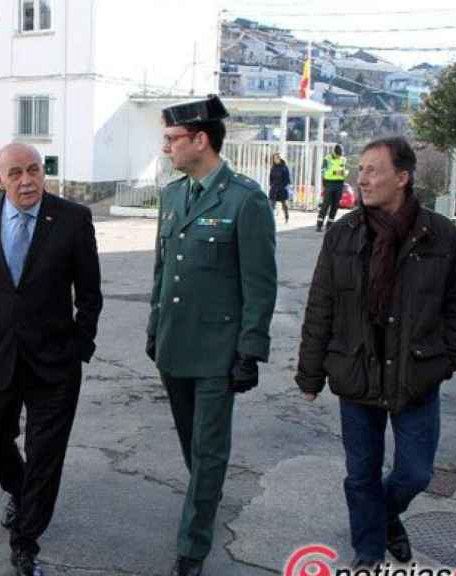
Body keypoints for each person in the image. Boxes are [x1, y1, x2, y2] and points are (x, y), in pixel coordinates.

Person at [295, 136, 456, 568]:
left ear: (403, 177)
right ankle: (368, 551)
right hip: (356, 372)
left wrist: (444, 359)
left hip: (415, 376)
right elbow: (321, 306)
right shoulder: (343, 234)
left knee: (415, 473)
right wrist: (310, 375)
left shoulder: (441, 234)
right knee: (361, 475)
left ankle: (384, 516)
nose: (362, 178)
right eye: (360, 170)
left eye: (372, 170)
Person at [0, 142, 103, 576]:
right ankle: (22, 492)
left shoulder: (72, 219)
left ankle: (25, 542)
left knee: (46, 452)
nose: (26, 180)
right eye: (14, 173)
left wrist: (80, 346)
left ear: (44, 173)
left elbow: (89, 293)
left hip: (56, 362)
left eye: (33, 170)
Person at [145, 96, 277, 576]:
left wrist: (250, 350)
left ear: (201, 140)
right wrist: (153, 326)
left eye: (173, 140)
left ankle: (192, 546)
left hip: (219, 353)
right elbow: (163, 269)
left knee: (208, 448)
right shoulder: (174, 195)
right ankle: (206, 497)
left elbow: (259, 285)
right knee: (192, 446)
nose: (167, 149)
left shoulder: (246, 200)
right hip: (174, 344)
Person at [317, 144, 348, 231]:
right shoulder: (327, 159)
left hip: (339, 184)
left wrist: (343, 174)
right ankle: (319, 224)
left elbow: (344, 171)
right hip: (329, 184)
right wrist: (336, 173)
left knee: (335, 206)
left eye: (340, 154)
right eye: (338, 154)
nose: (339, 156)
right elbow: (323, 172)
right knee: (326, 205)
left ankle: (329, 225)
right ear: (334, 152)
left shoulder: (343, 159)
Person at [268, 152, 291, 223]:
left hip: (282, 189)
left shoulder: (284, 167)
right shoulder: (273, 167)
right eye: (274, 158)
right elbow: (270, 178)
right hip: (274, 188)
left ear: (280, 159)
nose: (275, 160)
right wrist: (272, 185)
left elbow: (287, 179)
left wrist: (283, 186)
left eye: (277, 158)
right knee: (271, 204)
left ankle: (286, 217)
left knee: (284, 205)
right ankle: (270, 219)